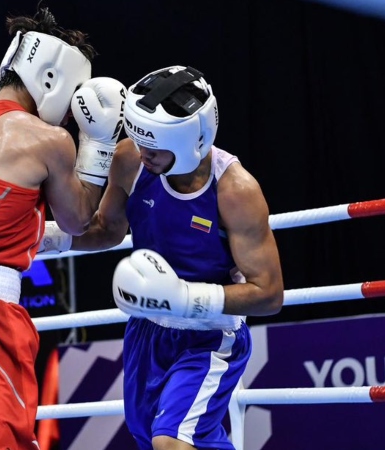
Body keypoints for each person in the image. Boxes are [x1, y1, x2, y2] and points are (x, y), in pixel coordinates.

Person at [40, 66, 284, 450]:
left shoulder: (236, 190)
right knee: (158, 437)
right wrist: (45, 237)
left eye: (153, 148)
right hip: (146, 330)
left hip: (210, 334)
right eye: (139, 142)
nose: (142, 154)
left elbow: (269, 293)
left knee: (171, 441)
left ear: (191, 142)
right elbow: (107, 229)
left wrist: (186, 296)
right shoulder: (130, 159)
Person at [0, 6, 127, 450]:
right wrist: (100, 144)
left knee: (13, 441)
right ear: (52, 79)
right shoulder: (45, 138)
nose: (70, 116)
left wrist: (36, 235)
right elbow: (77, 219)